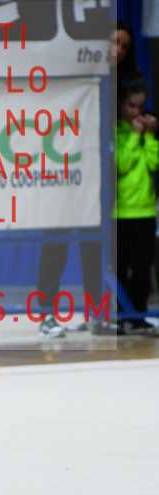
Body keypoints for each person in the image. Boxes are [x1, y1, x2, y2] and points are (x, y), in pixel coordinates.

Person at [36, 20, 138, 340]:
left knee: (96, 248)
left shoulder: (122, 86)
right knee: (55, 243)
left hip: (98, 178)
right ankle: (46, 314)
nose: (117, 51)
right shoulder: (73, 75)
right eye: (113, 42)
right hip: (64, 170)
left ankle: (97, 314)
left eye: (124, 46)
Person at [115, 75, 159, 332]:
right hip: (121, 212)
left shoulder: (147, 132)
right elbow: (120, 164)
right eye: (132, 106)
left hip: (145, 210)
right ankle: (120, 316)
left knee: (142, 268)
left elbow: (154, 163)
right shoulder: (117, 131)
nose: (137, 112)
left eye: (141, 106)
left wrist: (150, 137)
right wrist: (134, 136)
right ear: (122, 105)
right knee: (121, 268)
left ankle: (138, 316)